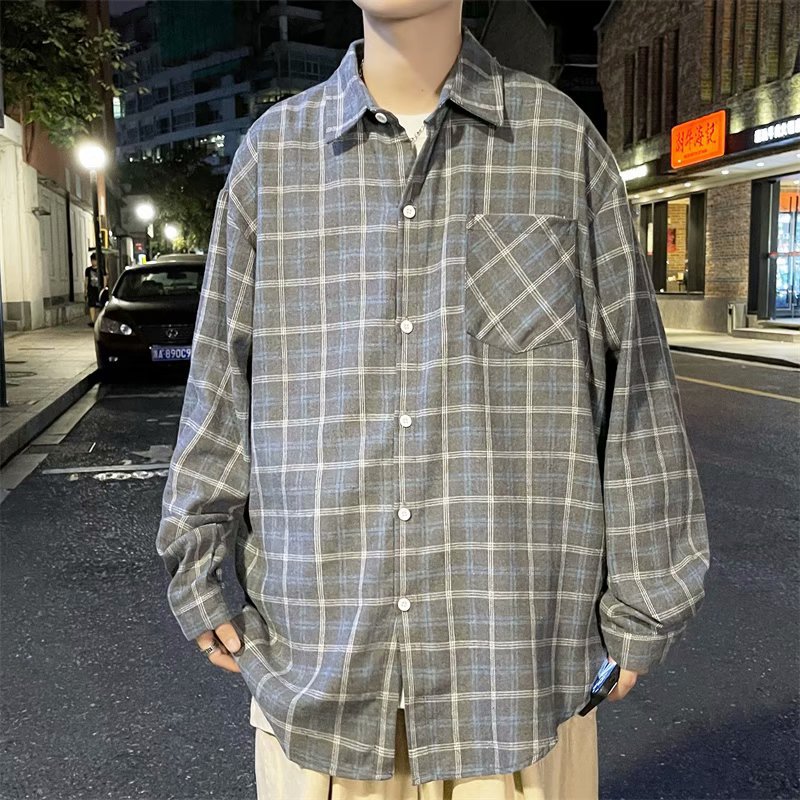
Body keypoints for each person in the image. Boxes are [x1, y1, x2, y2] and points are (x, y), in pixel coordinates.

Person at [156, 1, 711, 798]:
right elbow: (220, 378)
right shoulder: (272, 160)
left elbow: (638, 386)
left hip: (514, 679)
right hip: (320, 669)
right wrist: (197, 556)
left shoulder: (559, 146)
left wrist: (648, 596)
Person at [83, 252, 106, 326]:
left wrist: (104, 288)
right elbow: (86, 280)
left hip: (99, 290)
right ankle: (93, 321)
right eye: (92, 260)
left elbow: (104, 278)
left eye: (94, 260)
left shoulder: (101, 269)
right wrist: (85, 290)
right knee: (91, 305)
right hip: (91, 289)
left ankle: (98, 321)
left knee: (98, 306)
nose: (93, 262)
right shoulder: (88, 270)